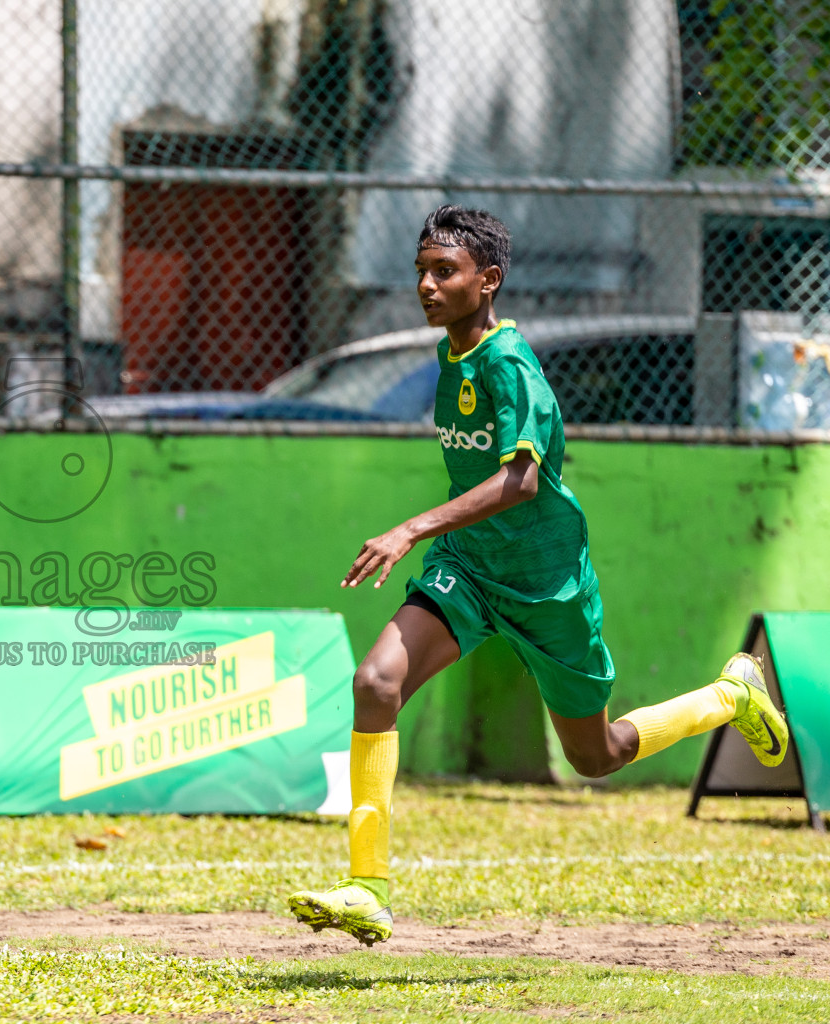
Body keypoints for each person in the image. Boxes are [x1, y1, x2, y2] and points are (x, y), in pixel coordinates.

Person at [286, 205, 790, 947]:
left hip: (548, 582)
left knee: (598, 757)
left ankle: (729, 693)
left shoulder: (511, 364)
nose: (426, 285)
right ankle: (368, 887)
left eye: (444, 272)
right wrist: (441, 543)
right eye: (421, 270)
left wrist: (412, 526)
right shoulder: (450, 356)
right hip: (470, 570)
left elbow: (521, 482)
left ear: (487, 281)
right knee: (375, 684)